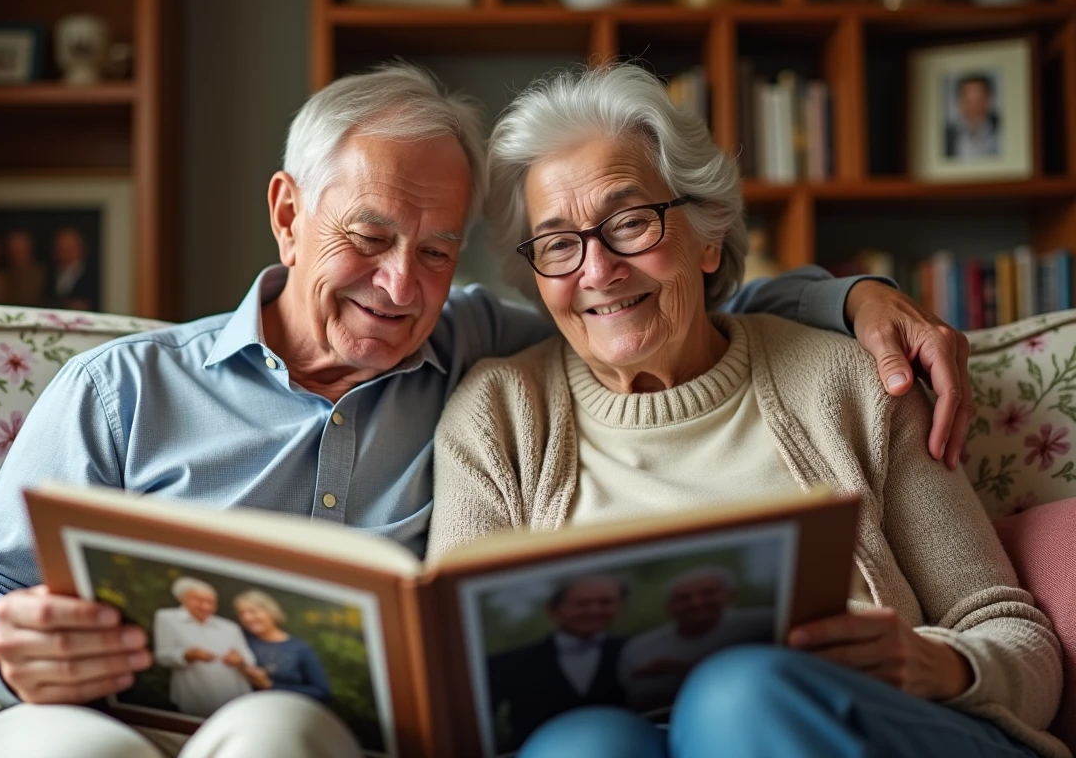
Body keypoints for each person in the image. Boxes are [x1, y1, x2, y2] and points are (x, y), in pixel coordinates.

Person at [0, 62, 978, 758]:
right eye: (368, 238)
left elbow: (676, 306)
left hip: (288, 733)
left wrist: (850, 298)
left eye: (434, 252)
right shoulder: (123, 387)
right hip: (88, 719)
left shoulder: (479, 348)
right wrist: (3, 647)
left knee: (277, 733)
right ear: (289, 214)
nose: (400, 286)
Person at [427, 64, 1065, 758]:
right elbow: (463, 690)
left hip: (845, 724)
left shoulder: (850, 383)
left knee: (737, 698)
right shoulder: (499, 418)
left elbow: (1016, 637)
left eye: (631, 222)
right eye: (558, 244)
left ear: (707, 236)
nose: (598, 270)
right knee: (581, 747)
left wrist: (940, 663)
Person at [488, 575, 628, 751]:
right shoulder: (506, 664)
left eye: (606, 602)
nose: (594, 610)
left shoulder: (636, 649)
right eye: (581, 604)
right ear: (552, 610)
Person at [617, 568, 773, 712]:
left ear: (731, 595)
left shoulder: (766, 623)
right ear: (668, 606)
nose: (696, 602)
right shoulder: (640, 647)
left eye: (708, 593)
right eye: (683, 598)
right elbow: (637, 694)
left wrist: (676, 668)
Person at [152, 577, 256, 718]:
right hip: (195, 695)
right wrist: (188, 654)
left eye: (211, 602)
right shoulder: (167, 618)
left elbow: (249, 659)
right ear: (183, 599)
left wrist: (239, 660)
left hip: (234, 694)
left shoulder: (229, 627)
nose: (206, 606)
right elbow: (162, 656)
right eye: (199, 600)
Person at [233, 589, 332, 702]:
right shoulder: (240, 640)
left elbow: (323, 692)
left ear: (270, 612)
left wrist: (271, 685)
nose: (247, 618)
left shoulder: (299, 649)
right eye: (242, 613)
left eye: (253, 611)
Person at [945, 73, 1000, 159]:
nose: (974, 107)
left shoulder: (1002, 129)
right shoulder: (947, 135)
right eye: (969, 101)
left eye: (979, 100)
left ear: (989, 100)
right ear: (959, 102)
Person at [47, 227, 98, 310]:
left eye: (68, 247)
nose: (64, 252)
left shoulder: (93, 275)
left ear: (80, 248)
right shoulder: (49, 274)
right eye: (60, 248)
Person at [5, 230, 47, 307]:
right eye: (14, 251)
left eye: (21, 250)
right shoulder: (3, 274)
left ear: (29, 250)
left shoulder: (40, 274)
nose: (17, 255)